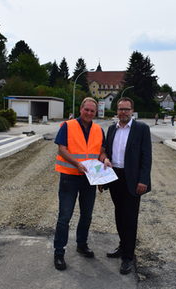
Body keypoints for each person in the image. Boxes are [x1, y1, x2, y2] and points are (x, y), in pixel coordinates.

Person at [53, 97, 107, 271]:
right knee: (64, 217)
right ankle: (59, 253)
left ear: (95, 112)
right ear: (81, 109)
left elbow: (101, 152)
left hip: (89, 179)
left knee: (87, 215)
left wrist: (105, 161)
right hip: (70, 177)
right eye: (87, 110)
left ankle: (81, 245)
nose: (89, 113)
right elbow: (62, 148)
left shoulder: (99, 130)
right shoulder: (68, 126)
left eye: (93, 111)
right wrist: (77, 164)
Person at [100, 97, 152, 275]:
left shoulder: (141, 129)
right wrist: (105, 162)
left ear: (132, 111)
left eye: (126, 109)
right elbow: (106, 150)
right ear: (117, 110)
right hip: (115, 177)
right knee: (119, 214)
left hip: (133, 179)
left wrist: (143, 180)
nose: (123, 112)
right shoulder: (111, 128)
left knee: (130, 218)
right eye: (120, 109)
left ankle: (128, 257)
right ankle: (123, 246)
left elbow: (146, 157)